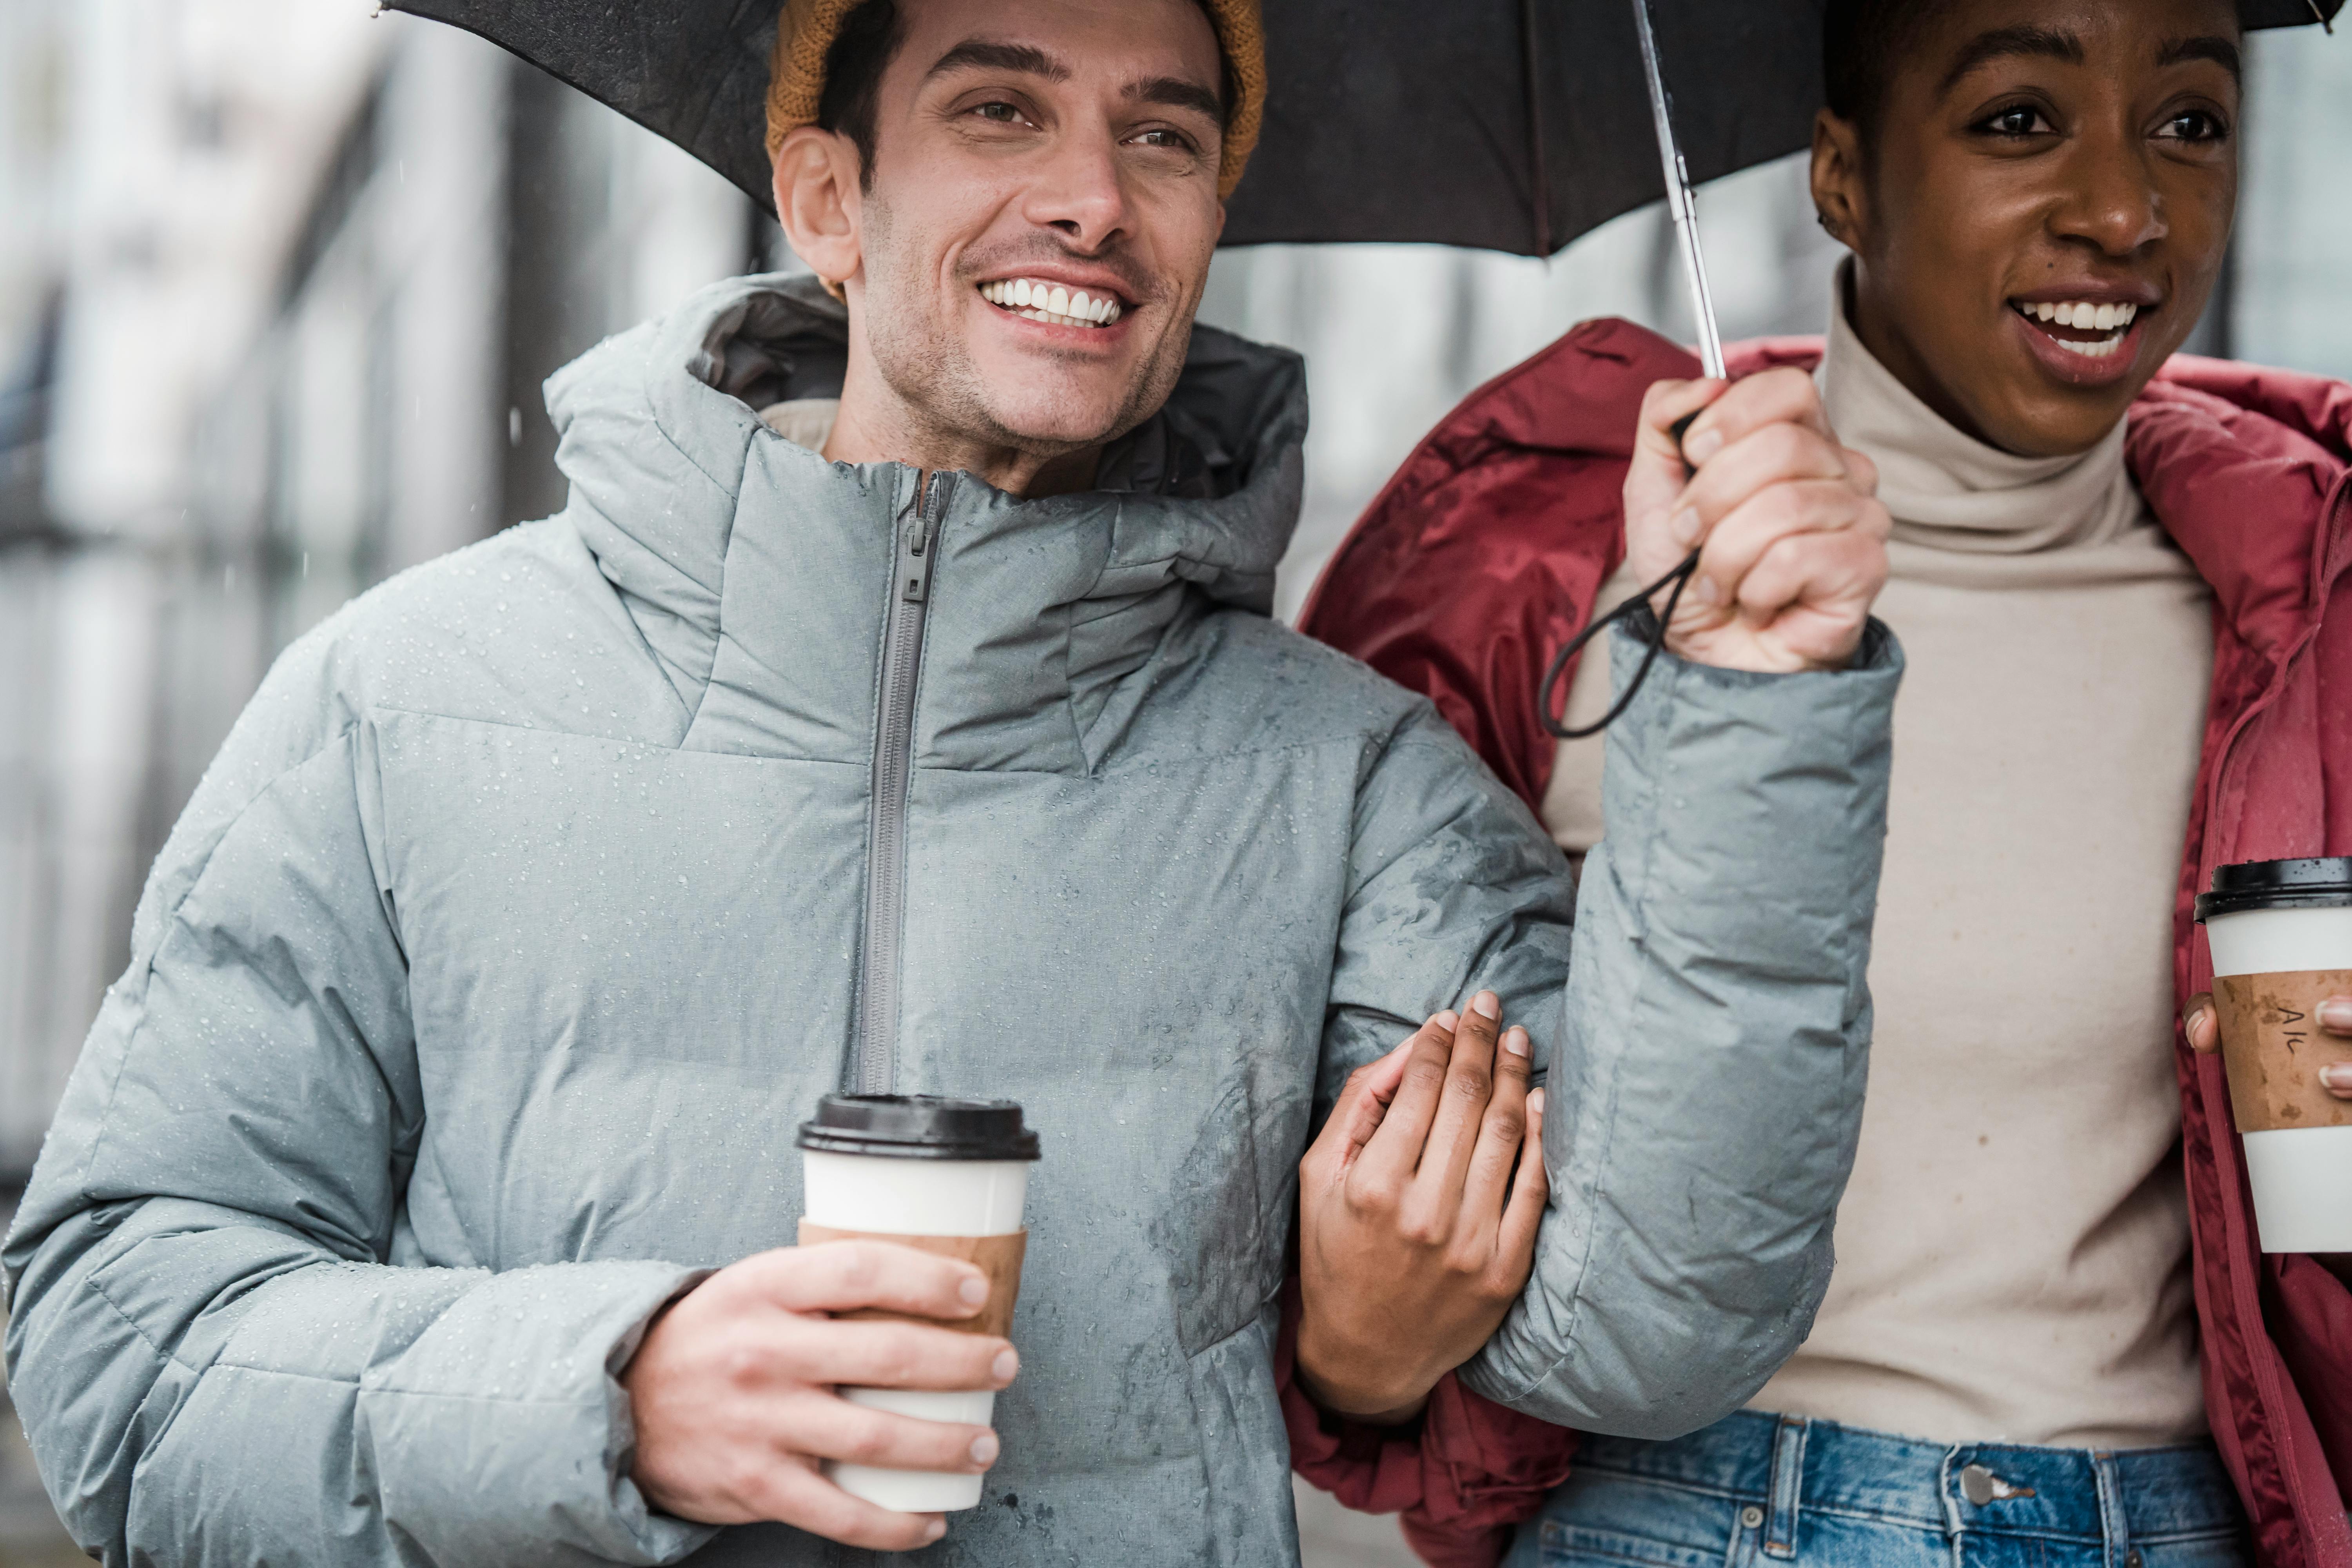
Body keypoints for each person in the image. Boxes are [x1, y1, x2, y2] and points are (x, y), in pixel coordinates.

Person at [2, 0, 1903, 1564]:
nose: (1090, 196)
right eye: (1002, 107)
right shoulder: (399, 701)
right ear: (825, 195)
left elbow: (1655, 1318)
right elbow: (114, 1346)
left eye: (1163, 138)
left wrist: (1755, 684)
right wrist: (607, 1388)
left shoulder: (1344, 782)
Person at [1289, 0, 2352, 1563]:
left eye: (2187, 124)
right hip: (1686, 1513)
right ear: (1842, 177)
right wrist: (1356, 1343)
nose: (2125, 212)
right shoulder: (1571, 575)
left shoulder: (2311, 612)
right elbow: (1330, 1200)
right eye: (2018, 121)